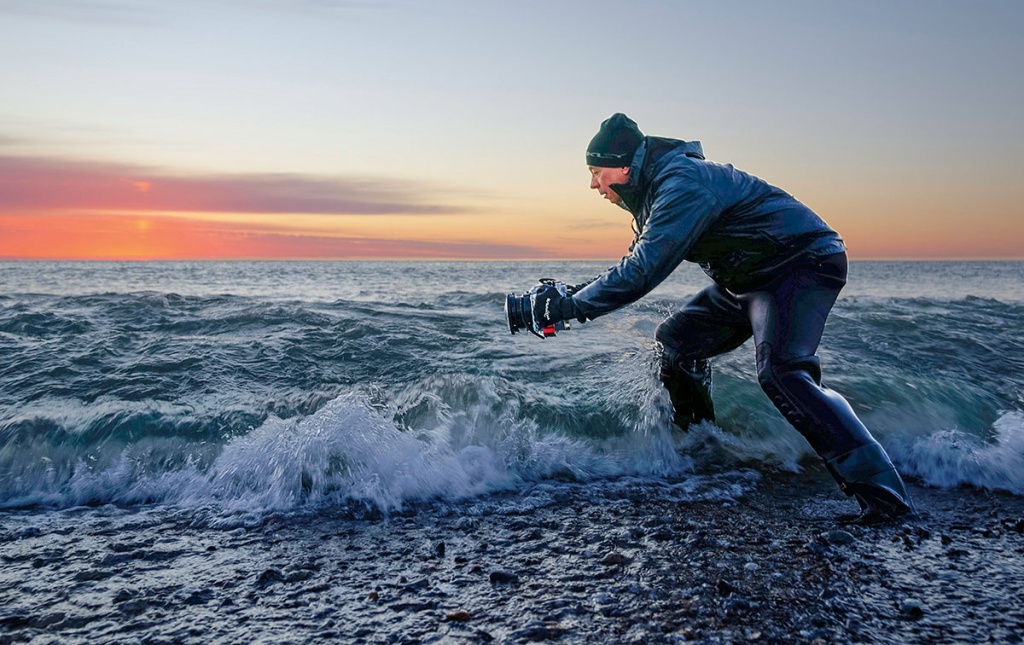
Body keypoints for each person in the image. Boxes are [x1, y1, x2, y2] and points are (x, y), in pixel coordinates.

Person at [528, 113, 914, 519]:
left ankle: (884, 495)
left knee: (782, 372)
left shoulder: (682, 184)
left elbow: (644, 272)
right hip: (747, 278)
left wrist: (571, 308)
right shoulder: (656, 190)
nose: (593, 184)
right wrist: (570, 296)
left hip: (800, 263)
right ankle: (700, 447)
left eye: (596, 171)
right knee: (676, 344)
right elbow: (633, 263)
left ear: (623, 167)